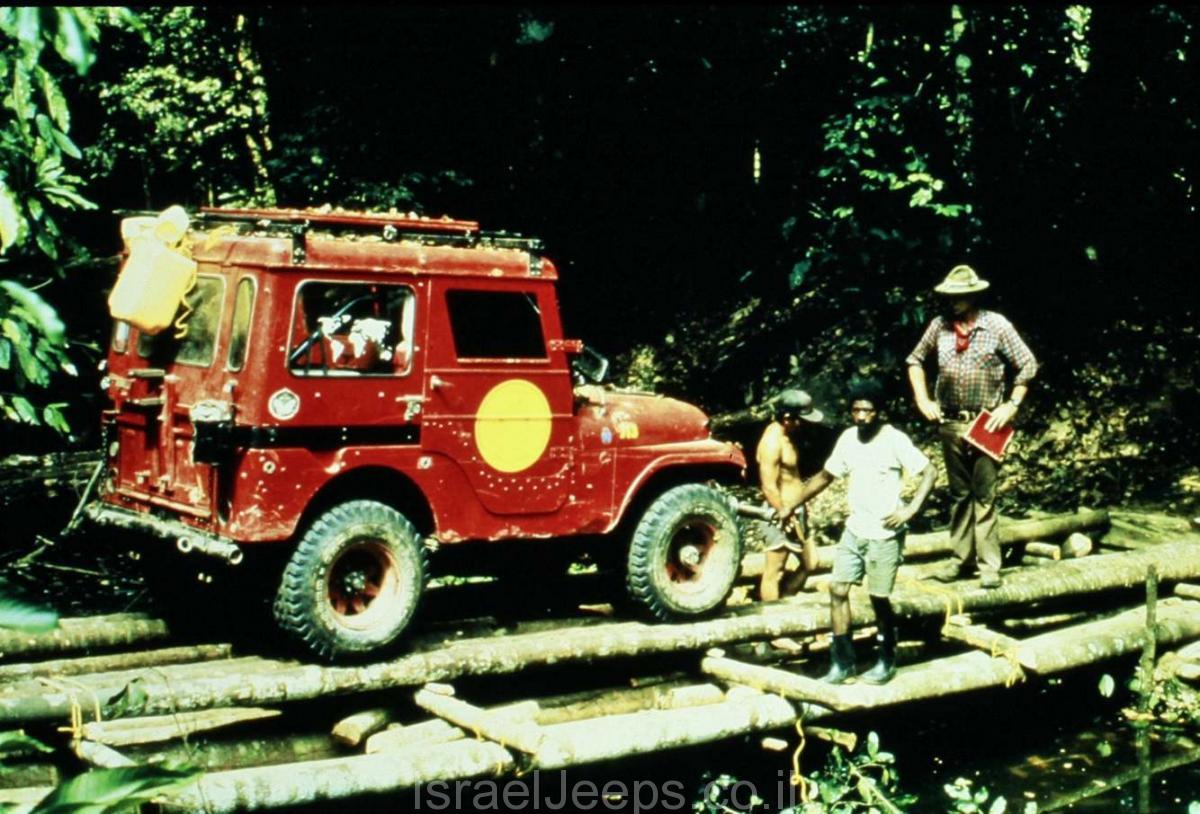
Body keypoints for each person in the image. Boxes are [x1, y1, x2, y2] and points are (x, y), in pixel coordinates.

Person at [786, 379, 935, 684]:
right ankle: (842, 662)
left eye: (868, 411)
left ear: (878, 412)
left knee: (879, 597)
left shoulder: (894, 440)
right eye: (856, 411)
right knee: (838, 590)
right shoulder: (848, 439)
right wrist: (790, 504)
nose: (862, 417)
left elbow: (929, 472)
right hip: (855, 530)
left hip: (884, 533)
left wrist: (909, 510)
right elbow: (825, 476)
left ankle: (886, 658)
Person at [905, 265, 1038, 589]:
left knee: (984, 496)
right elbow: (914, 360)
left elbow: (1028, 364)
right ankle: (960, 559)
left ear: (974, 296)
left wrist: (1011, 405)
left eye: (960, 296)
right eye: (950, 296)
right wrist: (923, 399)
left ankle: (989, 564)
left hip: (986, 424)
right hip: (950, 422)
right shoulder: (939, 326)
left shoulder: (996, 325)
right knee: (960, 495)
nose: (953, 302)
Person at [755, 389, 824, 602]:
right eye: (800, 420)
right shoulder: (772, 442)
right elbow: (768, 487)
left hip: (796, 509)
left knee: (811, 562)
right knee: (774, 571)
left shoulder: (787, 436)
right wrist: (784, 513)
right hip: (781, 513)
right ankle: (773, 619)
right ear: (787, 418)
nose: (803, 424)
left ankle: (785, 599)